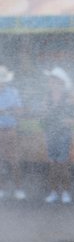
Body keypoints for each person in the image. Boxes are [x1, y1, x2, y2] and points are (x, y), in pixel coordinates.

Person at [40, 66, 74, 204]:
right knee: (53, 164)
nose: (50, 82)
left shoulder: (69, 95)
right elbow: (43, 112)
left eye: (53, 79)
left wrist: (73, 119)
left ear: (60, 81)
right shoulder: (48, 95)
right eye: (50, 80)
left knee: (62, 164)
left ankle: (65, 191)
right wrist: (44, 115)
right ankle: (54, 192)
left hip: (63, 133)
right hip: (51, 133)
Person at [0, 65, 26, 200]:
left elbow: (20, 111)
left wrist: (11, 110)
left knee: (14, 161)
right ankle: (1, 188)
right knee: (1, 162)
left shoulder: (13, 92)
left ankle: (19, 189)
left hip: (11, 130)